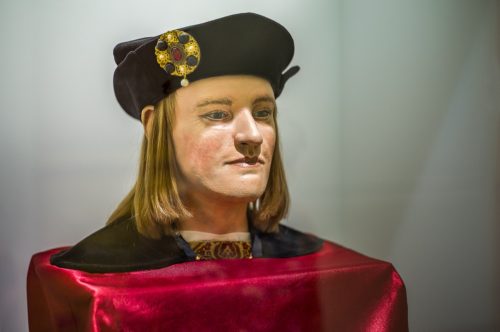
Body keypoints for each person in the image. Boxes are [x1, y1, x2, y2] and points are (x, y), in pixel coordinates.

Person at [27, 13, 408, 331]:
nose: (251, 135)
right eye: (217, 114)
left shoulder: (346, 278)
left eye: (263, 112)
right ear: (154, 126)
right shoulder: (92, 283)